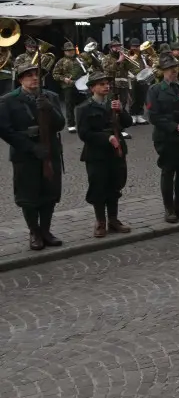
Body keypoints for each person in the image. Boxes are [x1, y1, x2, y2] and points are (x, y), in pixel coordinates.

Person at [0, 62, 66, 250]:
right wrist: (30, 146)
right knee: (28, 196)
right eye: (29, 75)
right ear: (21, 79)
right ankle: (34, 232)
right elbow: (5, 130)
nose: (35, 78)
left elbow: (60, 124)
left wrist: (49, 108)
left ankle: (46, 231)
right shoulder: (8, 100)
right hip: (25, 156)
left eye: (37, 75)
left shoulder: (50, 97)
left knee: (50, 194)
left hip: (50, 152)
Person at [74, 70, 132, 237]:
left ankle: (113, 220)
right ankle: (100, 222)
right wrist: (106, 138)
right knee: (98, 187)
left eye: (107, 83)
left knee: (115, 186)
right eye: (101, 84)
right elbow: (84, 134)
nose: (106, 86)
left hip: (116, 152)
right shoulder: (83, 108)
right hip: (96, 155)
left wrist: (121, 110)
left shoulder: (113, 103)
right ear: (92, 88)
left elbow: (127, 123)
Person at [146, 55, 179, 223]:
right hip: (166, 138)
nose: (174, 72)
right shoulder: (155, 90)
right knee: (168, 172)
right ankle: (169, 209)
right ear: (163, 72)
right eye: (170, 69)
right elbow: (153, 116)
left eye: (175, 68)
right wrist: (174, 126)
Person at [52, 41, 90, 134]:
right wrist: (63, 79)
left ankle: (85, 122)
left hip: (82, 85)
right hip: (68, 85)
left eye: (72, 50)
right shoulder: (61, 61)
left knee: (85, 104)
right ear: (65, 51)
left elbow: (87, 69)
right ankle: (71, 124)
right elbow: (55, 74)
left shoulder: (80, 59)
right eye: (68, 51)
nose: (71, 52)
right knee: (69, 105)